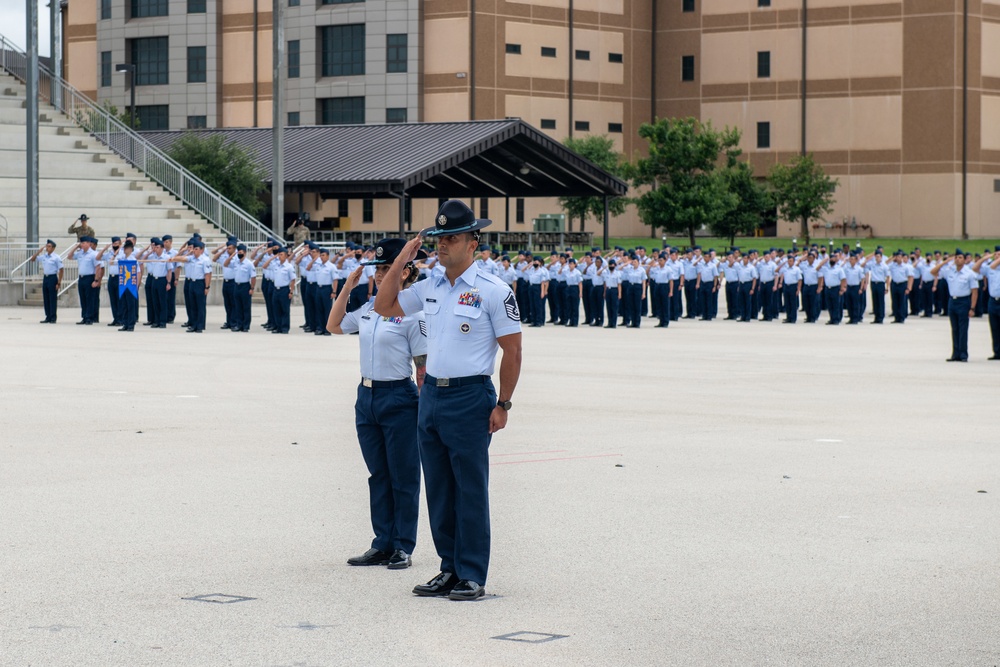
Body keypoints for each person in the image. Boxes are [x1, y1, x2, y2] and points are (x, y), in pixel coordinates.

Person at [373, 199, 522, 602]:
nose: (441, 245)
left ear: (472, 241)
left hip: (471, 396)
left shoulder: (493, 290)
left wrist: (503, 404)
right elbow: (383, 305)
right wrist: (404, 257)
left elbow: (513, 350)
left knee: (469, 488)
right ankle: (449, 568)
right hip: (431, 397)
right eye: (437, 238)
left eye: (450, 238)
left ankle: (472, 572)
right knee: (438, 488)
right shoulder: (430, 286)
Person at [328, 238, 428, 571]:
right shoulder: (369, 308)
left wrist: (426, 411)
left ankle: (402, 545)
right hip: (367, 397)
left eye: (389, 269)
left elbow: (423, 368)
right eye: (380, 269)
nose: (383, 275)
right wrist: (348, 287)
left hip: (399, 397)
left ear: (405, 272)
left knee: (404, 476)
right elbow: (334, 326)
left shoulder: (413, 313)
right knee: (379, 475)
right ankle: (382, 542)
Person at [930, 249, 979, 362]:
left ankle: (963, 354)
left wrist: (972, 308)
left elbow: (974, 291)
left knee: (963, 329)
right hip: (952, 301)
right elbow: (933, 272)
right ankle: (955, 354)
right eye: (956, 257)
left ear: (965, 260)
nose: (957, 259)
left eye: (960, 257)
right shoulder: (950, 271)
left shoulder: (969, 273)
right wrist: (945, 261)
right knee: (955, 329)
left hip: (963, 302)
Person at [171, 240, 212, 332]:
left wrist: (207, 287)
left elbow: (208, 275)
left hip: (200, 283)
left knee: (200, 306)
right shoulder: (191, 258)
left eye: (196, 249)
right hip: (192, 284)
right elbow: (182, 259)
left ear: (201, 250)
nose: (194, 251)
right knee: (192, 305)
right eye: (193, 249)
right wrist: (173, 259)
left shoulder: (205, 260)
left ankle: (200, 326)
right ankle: (193, 325)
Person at [971, 247, 1000, 360]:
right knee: (995, 328)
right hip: (993, 300)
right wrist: (984, 259)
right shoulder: (990, 268)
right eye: (996, 254)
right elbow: (975, 268)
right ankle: (997, 352)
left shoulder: (992, 267)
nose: (997, 256)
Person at [30, 240, 63, 323]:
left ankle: (53, 317)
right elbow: (32, 259)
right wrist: (38, 252)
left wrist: (59, 282)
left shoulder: (56, 257)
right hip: (46, 278)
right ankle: (47, 316)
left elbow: (61, 270)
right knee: (46, 298)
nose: (47, 248)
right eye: (46, 246)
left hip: (52, 278)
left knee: (52, 298)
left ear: (53, 248)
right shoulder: (44, 256)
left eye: (49, 246)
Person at [70, 236, 100, 325]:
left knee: (89, 298)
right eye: (81, 243)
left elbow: (98, 267)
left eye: (83, 243)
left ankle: (89, 318)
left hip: (90, 277)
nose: (81, 245)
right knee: (83, 298)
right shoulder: (80, 253)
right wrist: (75, 247)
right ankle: (84, 317)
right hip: (81, 278)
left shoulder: (94, 254)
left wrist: (96, 280)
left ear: (89, 243)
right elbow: (69, 256)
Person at [310, 248, 338, 336]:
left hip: (327, 289)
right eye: (321, 255)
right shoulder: (318, 266)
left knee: (327, 310)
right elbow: (308, 268)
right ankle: (320, 328)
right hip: (318, 288)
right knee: (319, 309)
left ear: (328, 256)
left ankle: (328, 329)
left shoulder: (331, 267)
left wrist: (334, 291)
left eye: (323, 255)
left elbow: (335, 280)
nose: (322, 257)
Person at [231, 244, 257, 332]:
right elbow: (226, 264)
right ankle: (239, 325)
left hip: (245, 286)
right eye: (238, 252)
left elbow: (253, 277)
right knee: (238, 307)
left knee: (246, 307)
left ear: (245, 253)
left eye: (241, 252)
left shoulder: (249, 264)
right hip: (236, 286)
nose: (239, 254)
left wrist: (252, 288)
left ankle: (246, 326)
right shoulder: (236, 262)